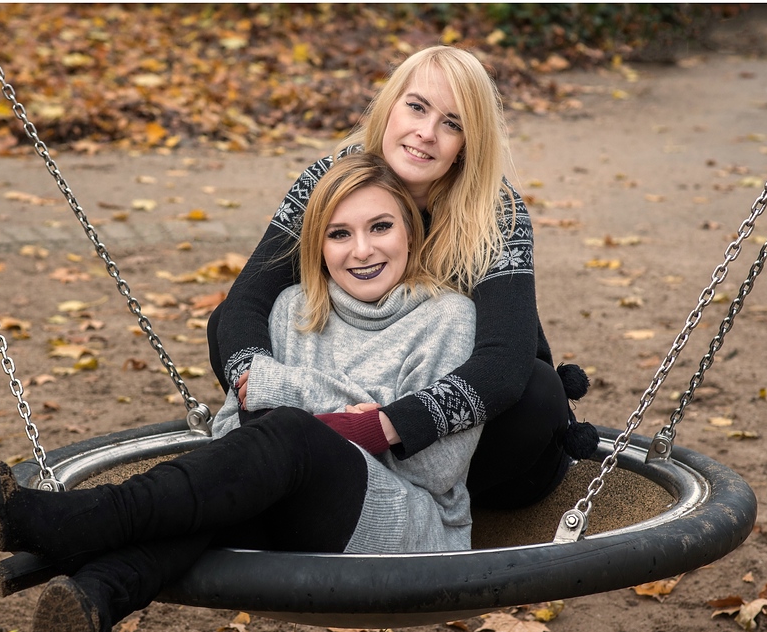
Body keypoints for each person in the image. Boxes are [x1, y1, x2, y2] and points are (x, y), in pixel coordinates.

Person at [0, 153, 481, 632]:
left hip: (408, 530)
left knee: (285, 435)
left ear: (410, 232)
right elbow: (232, 428)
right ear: (318, 244)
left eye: (380, 227)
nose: (361, 250)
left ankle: (78, 522)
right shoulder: (294, 309)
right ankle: (100, 594)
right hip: (288, 507)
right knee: (253, 464)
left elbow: (434, 469)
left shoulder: (449, 318)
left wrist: (299, 403)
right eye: (340, 234)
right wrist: (356, 417)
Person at [209, 45, 597, 511]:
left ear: (466, 145)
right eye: (416, 107)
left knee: (537, 391)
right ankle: (301, 460)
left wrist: (382, 426)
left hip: (473, 451)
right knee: (228, 326)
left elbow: (503, 363)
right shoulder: (330, 180)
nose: (426, 133)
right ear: (390, 106)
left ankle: (405, 492)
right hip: (348, 394)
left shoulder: (495, 211)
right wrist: (264, 388)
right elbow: (248, 300)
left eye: (452, 124)